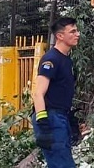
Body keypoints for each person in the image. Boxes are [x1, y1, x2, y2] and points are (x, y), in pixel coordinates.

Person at [32, 16, 81, 168]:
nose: (77, 34)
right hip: (50, 118)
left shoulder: (67, 60)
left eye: (76, 30)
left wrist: (70, 119)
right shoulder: (51, 59)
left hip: (60, 116)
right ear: (60, 36)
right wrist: (43, 124)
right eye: (72, 31)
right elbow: (38, 93)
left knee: (60, 163)